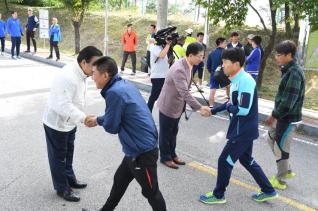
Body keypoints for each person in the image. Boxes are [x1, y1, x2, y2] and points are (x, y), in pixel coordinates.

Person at [82, 56, 167, 211]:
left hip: (142, 153)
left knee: (151, 193)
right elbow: (120, 115)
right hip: (134, 149)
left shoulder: (114, 93)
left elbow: (112, 127)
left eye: (94, 73)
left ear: (105, 75)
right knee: (119, 181)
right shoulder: (123, 84)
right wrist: (99, 119)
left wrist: (98, 121)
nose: (92, 76)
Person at [199, 48, 278, 205]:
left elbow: (242, 109)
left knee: (224, 161)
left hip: (242, 131)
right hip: (242, 129)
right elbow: (231, 103)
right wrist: (213, 110)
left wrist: (227, 108)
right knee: (246, 160)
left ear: (236, 64)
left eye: (225, 63)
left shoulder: (246, 81)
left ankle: (218, 195)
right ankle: (268, 190)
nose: (222, 66)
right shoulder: (235, 78)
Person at [43, 46, 103, 202]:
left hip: (70, 122)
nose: (96, 69)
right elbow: (63, 105)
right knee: (58, 157)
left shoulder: (81, 73)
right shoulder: (68, 76)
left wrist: (79, 118)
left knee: (68, 153)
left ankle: (70, 179)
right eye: (94, 65)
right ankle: (62, 188)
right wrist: (83, 118)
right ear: (84, 62)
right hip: (57, 124)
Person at [157, 43, 211, 169]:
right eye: (200, 56)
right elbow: (184, 92)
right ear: (190, 55)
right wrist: (200, 107)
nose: (201, 59)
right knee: (166, 133)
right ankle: (165, 157)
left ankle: (172, 154)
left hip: (178, 104)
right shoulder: (179, 69)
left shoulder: (189, 64)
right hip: (168, 105)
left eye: (203, 56)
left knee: (174, 131)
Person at [265, 40, 305, 190]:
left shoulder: (294, 72)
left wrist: (273, 116)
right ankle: (286, 169)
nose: (276, 57)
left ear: (289, 55)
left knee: (280, 147)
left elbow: (288, 102)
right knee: (270, 138)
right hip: (283, 116)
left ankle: (280, 180)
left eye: (279, 54)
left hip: (288, 117)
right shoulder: (288, 69)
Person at [147, 37, 171, 112]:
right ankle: (147, 115)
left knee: (161, 97)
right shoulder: (155, 47)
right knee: (153, 98)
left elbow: (163, 61)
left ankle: (162, 115)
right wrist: (168, 45)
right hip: (158, 77)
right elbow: (161, 55)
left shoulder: (161, 48)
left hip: (163, 76)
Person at [206, 37, 229, 106]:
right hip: (224, 74)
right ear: (220, 43)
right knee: (229, 86)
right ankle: (230, 103)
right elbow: (228, 64)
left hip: (214, 74)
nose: (226, 44)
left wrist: (212, 72)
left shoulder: (211, 52)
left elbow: (208, 65)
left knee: (212, 91)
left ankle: (211, 107)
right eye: (225, 42)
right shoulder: (226, 52)